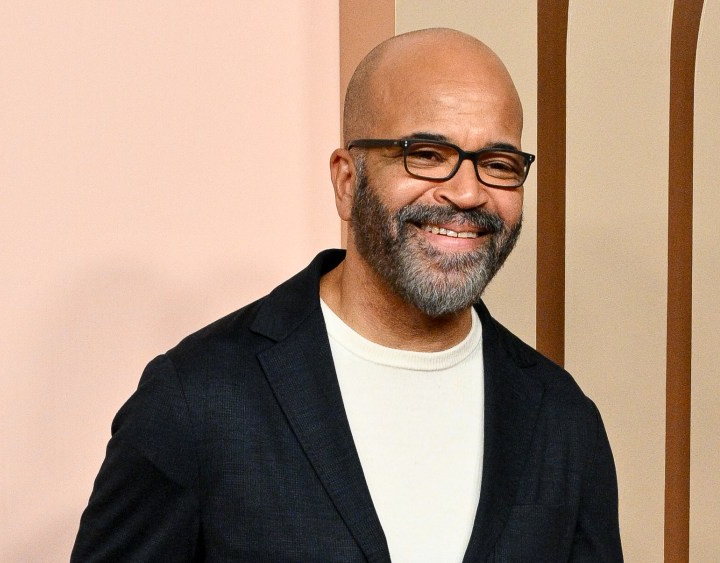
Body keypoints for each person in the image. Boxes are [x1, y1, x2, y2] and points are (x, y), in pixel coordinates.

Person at [71, 28, 622, 562]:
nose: (467, 192)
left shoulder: (563, 420)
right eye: (426, 154)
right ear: (345, 180)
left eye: (498, 165)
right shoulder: (196, 399)